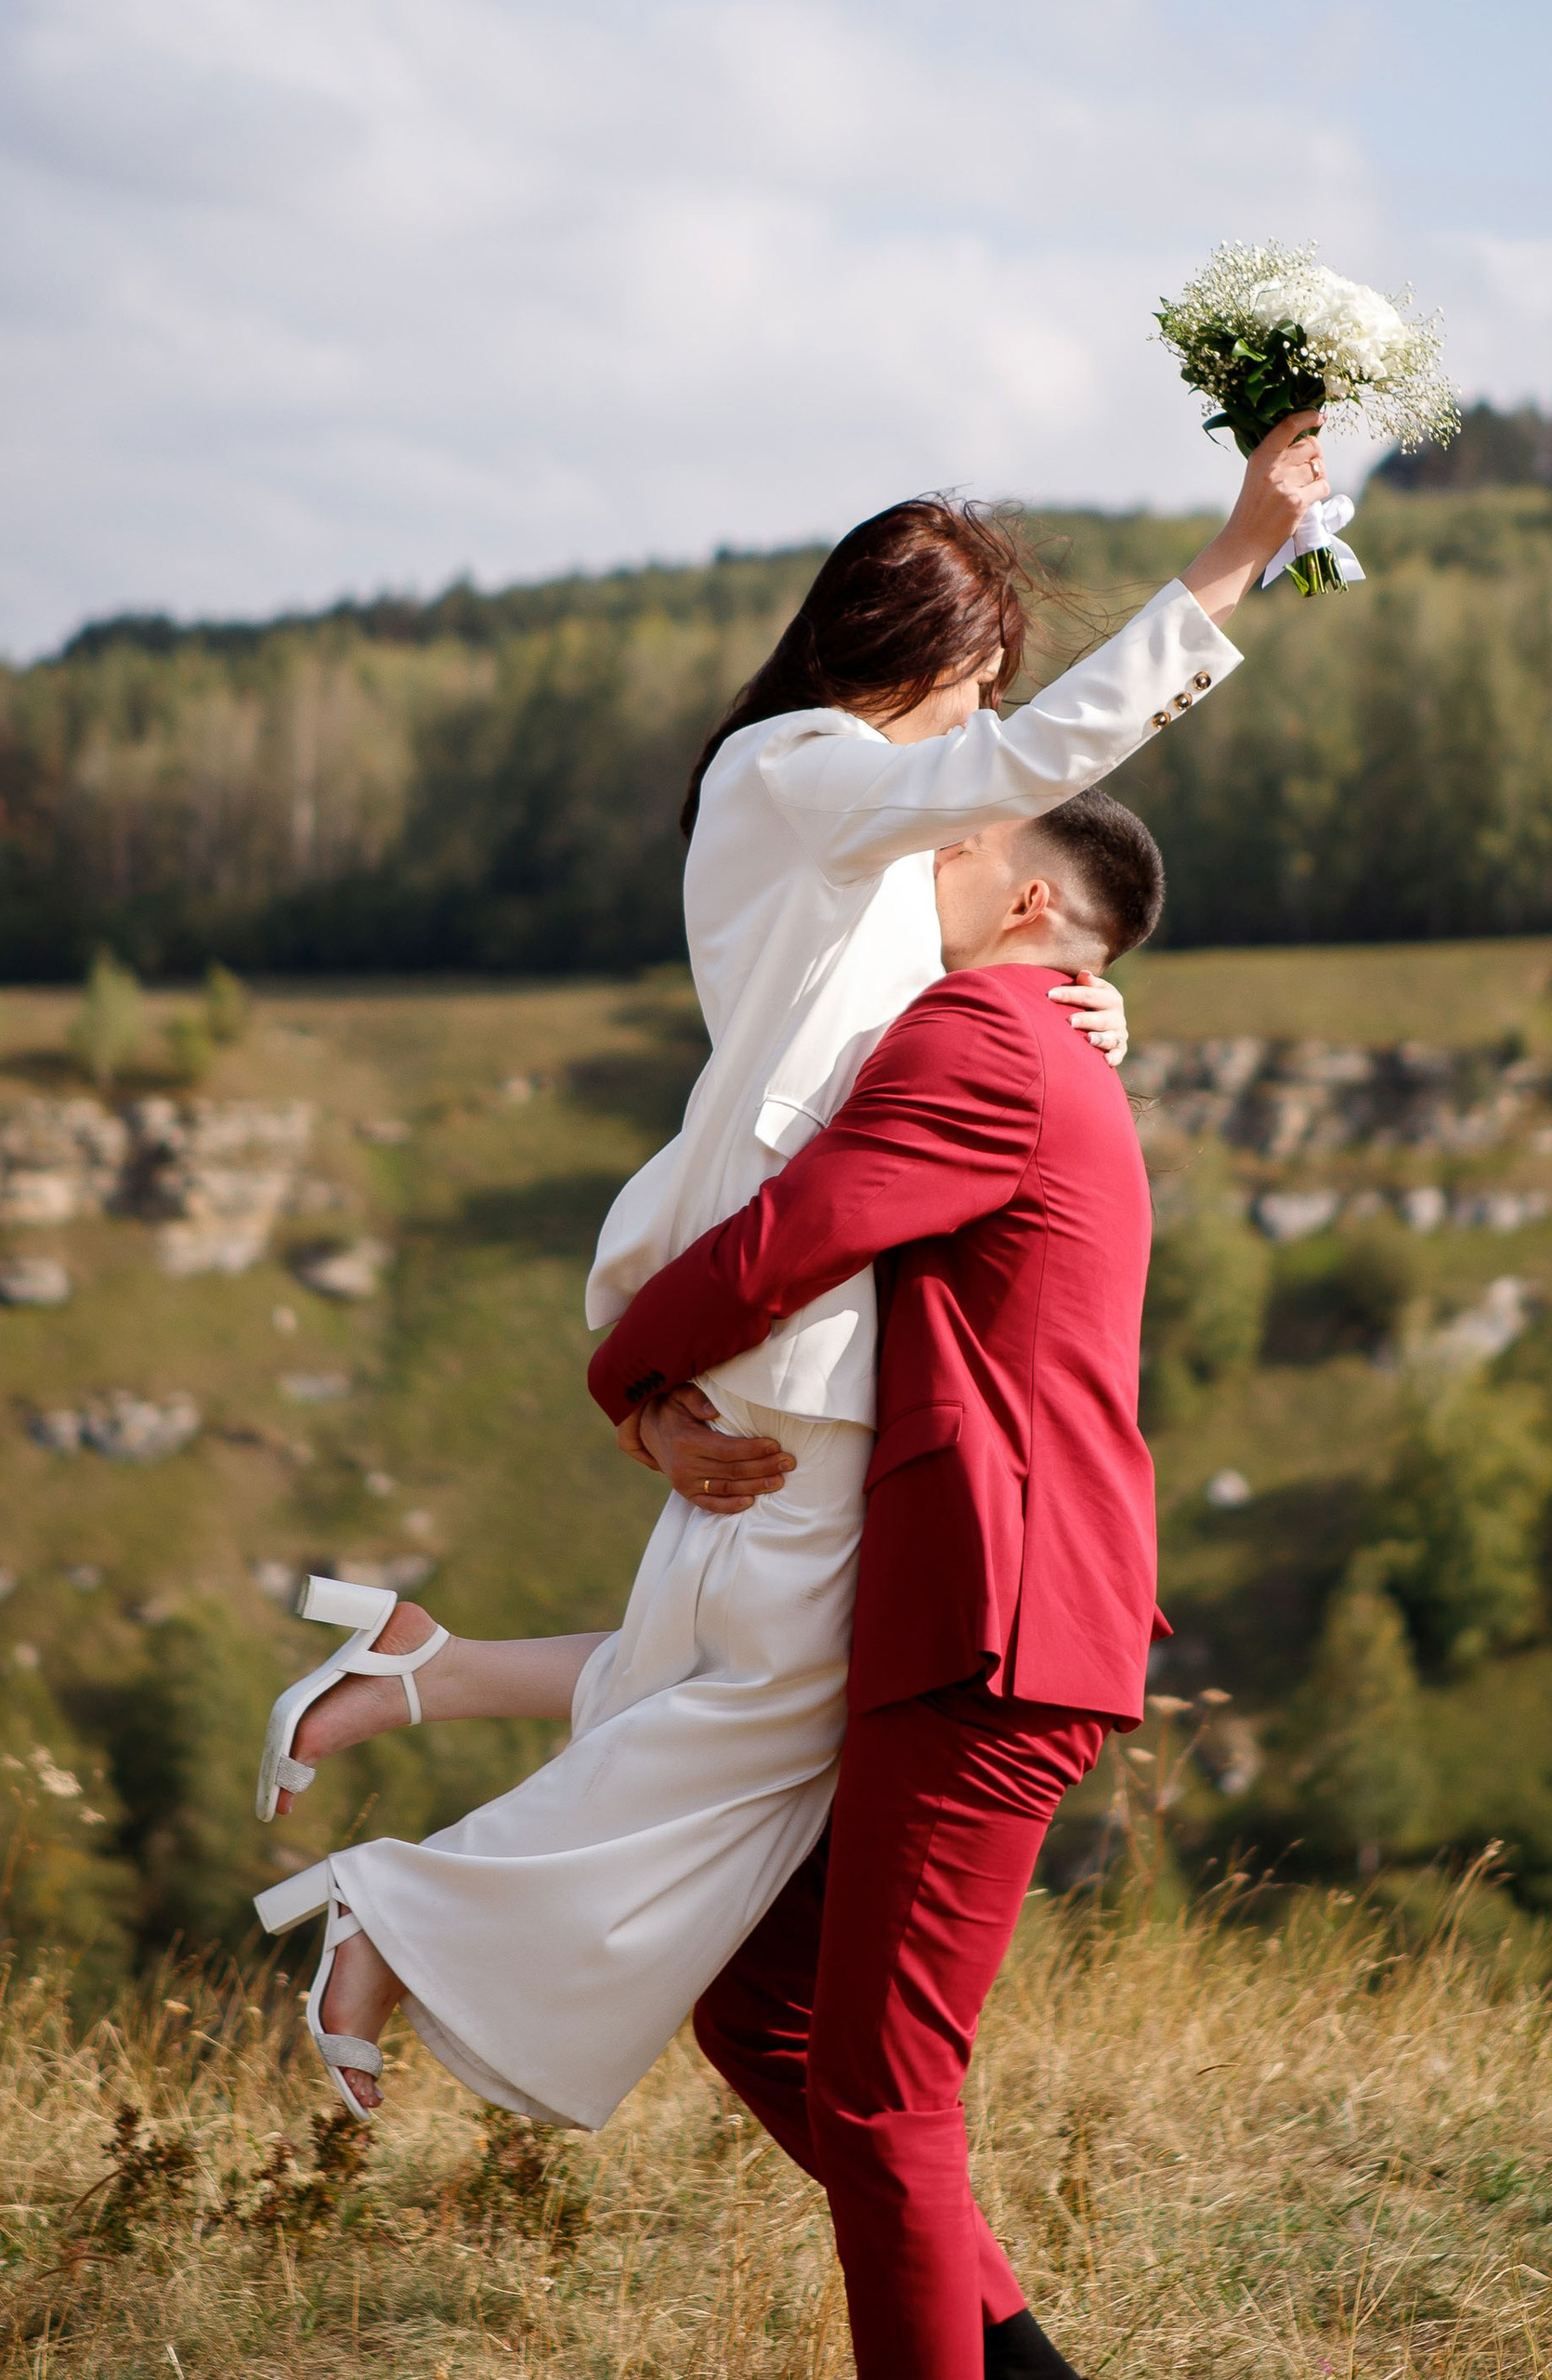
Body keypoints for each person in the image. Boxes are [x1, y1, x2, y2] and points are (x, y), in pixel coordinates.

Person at [253, 426, 1330, 2126]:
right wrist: (1235, 557)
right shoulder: (799, 769)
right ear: (918, 651)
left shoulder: (846, 815)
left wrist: (1077, 1011)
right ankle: (397, 1909)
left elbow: (942, 985)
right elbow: (1029, 779)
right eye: (981, 683)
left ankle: (414, 1690)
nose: (986, 725)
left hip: (796, 1306)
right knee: (777, 1697)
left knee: (717, 1679)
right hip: (796, 1305)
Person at [586, 788, 1173, 2380]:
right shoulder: (1034, 1032)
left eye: (948, 849)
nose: (913, 864)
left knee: (881, 2089)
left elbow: (795, 1230)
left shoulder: (987, 1036)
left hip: (995, 1614)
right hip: (966, 1604)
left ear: (1024, 901)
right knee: (762, 1997)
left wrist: (622, 1370)